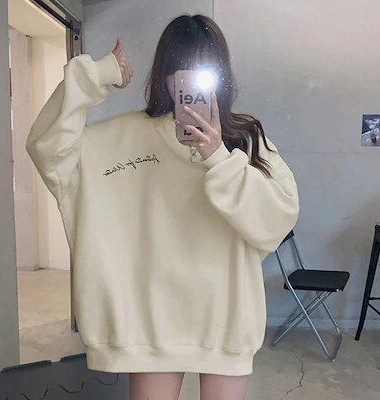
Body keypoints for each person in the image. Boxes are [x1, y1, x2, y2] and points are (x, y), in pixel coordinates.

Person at [26, 13, 299, 400]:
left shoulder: (246, 137)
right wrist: (95, 76)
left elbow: (276, 219)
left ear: (220, 75)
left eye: (202, 70)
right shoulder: (122, 137)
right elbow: (48, 148)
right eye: (179, 71)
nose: (188, 84)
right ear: (163, 75)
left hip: (224, 319)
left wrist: (218, 157)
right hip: (149, 325)